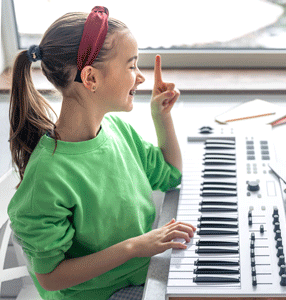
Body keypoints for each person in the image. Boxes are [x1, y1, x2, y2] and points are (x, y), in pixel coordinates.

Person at [7, 6, 195, 300]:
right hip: (104, 294)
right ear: (91, 78)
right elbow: (51, 277)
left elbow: (172, 174)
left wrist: (161, 117)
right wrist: (136, 246)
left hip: (144, 277)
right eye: (131, 66)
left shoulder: (119, 131)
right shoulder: (48, 174)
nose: (141, 78)